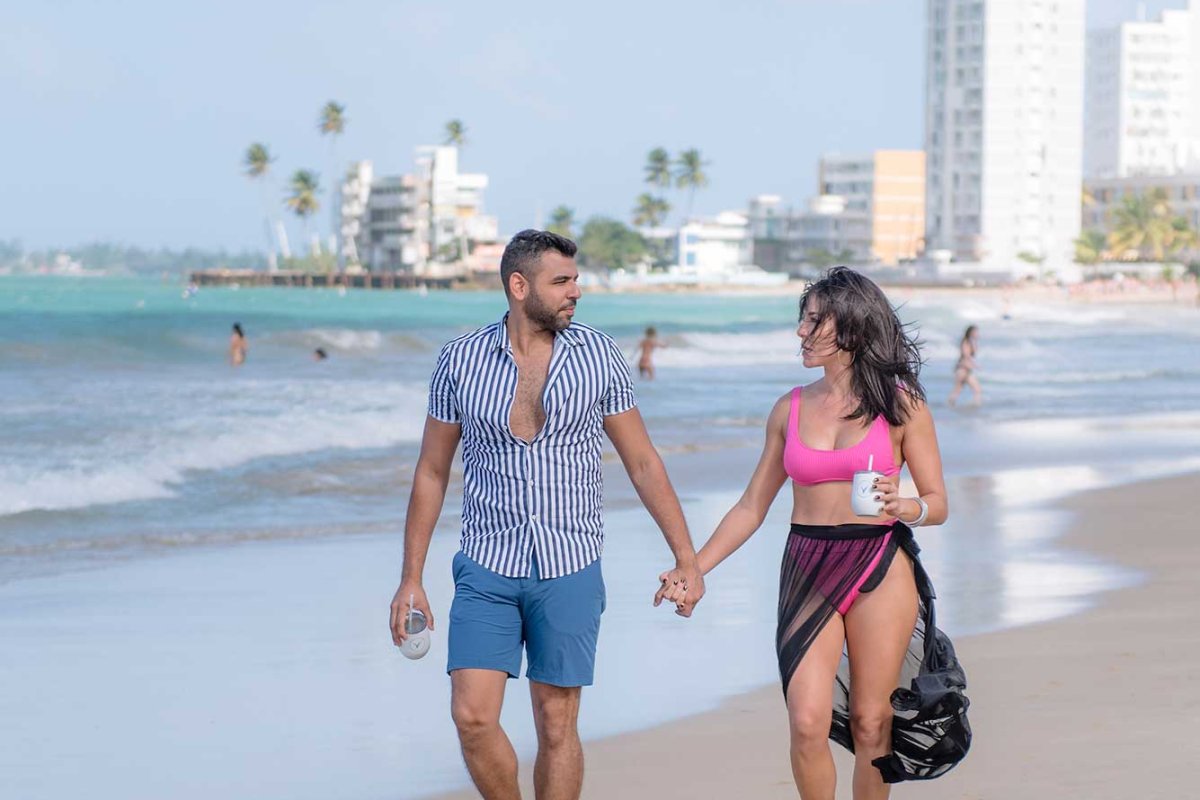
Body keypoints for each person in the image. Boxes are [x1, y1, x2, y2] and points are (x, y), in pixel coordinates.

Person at [389, 229, 705, 800]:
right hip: (487, 564)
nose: (575, 291)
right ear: (518, 285)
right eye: (561, 281)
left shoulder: (598, 355)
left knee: (556, 725)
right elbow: (431, 472)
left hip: (570, 563)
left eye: (575, 279)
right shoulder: (458, 361)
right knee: (472, 718)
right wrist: (411, 578)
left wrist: (687, 557)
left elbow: (641, 461)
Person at [679, 267, 957, 798]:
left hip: (878, 562)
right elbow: (750, 506)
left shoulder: (902, 406)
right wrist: (694, 565)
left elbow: (939, 503)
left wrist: (907, 506)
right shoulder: (789, 407)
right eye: (802, 322)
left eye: (813, 322)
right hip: (807, 564)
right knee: (806, 722)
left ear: (850, 330)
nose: (801, 334)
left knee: (872, 721)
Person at [947, 325, 981, 407]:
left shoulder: (970, 342)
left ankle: (974, 405)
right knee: (959, 389)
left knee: (975, 389)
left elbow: (974, 352)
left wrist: (975, 341)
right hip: (962, 369)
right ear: (971, 332)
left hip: (967, 370)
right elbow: (966, 356)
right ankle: (951, 405)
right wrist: (975, 365)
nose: (977, 333)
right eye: (976, 332)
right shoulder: (965, 342)